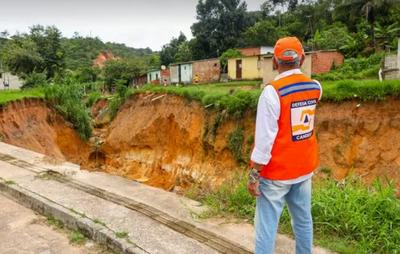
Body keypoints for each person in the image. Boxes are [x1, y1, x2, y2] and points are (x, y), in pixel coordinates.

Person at [248, 37, 322, 254]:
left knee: (266, 227)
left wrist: (255, 173)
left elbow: (264, 141)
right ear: (301, 58)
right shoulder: (315, 88)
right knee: (303, 221)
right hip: (303, 170)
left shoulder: (272, 92)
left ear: (274, 62)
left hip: (277, 175)